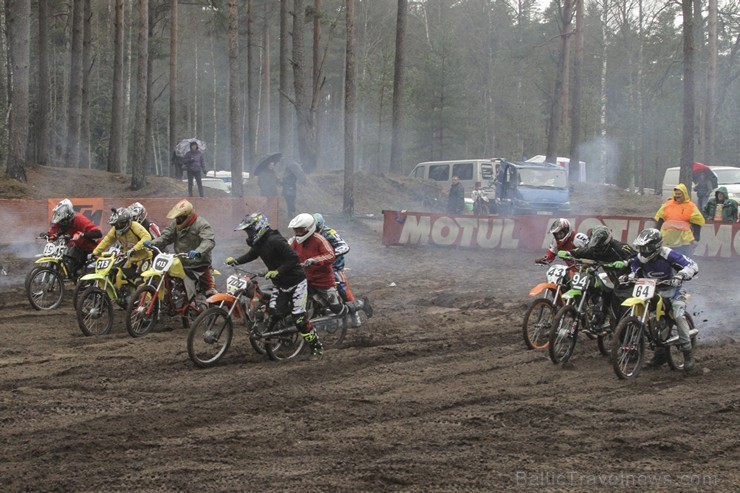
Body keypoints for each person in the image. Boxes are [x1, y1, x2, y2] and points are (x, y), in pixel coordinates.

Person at [224, 212, 324, 359]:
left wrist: (278, 271)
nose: (249, 234)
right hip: (280, 284)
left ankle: (316, 346)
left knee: (299, 319)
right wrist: (236, 261)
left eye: (250, 230)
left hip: (297, 283)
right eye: (247, 231)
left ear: (258, 228)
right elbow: (252, 255)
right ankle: (282, 333)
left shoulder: (275, 240)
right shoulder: (260, 243)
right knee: (274, 313)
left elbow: (293, 258)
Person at [627, 228, 699, 370]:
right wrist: (630, 277)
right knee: (651, 317)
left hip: (674, 290)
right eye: (641, 247)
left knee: (678, 316)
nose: (644, 250)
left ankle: (688, 354)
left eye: (647, 247)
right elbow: (634, 268)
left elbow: (691, 265)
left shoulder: (668, 254)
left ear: (656, 246)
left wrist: (680, 276)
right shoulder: (640, 257)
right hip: (652, 289)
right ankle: (658, 354)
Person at [289, 213, 372, 330]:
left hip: (334, 266)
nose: (315, 232)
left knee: (342, 290)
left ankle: (355, 314)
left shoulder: (329, 233)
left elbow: (344, 247)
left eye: (317, 229)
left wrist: (327, 256)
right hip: (311, 268)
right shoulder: (301, 236)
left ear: (320, 227)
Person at [559, 225, 635, 332]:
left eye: (599, 247)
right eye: (595, 247)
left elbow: (637, 258)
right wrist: (569, 253)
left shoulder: (620, 249)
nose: (597, 250)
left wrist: (624, 263)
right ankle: (599, 316)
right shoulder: (595, 249)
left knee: (617, 314)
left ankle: (622, 329)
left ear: (606, 243)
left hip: (629, 282)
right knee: (603, 290)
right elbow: (583, 251)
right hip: (613, 279)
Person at [145, 199, 217, 296]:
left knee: (210, 293)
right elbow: (166, 236)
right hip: (181, 263)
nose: (178, 220)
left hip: (199, 265)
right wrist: (153, 243)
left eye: (180, 218)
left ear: (188, 216)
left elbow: (208, 241)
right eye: (177, 218)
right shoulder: (175, 224)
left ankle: (214, 309)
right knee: (168, 279)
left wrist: (198, 251)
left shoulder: (202, 224)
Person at [47, 198, 102, 277]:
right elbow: (54, 229)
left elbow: (98, 233)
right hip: (79, 247)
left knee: (87, 272)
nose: (61, 222)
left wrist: (82, 235)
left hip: (93, 248)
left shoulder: (80, 219)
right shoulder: (62, 221)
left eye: (63, 220)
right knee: (70, 265)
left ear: (68, 214)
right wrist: (49, 235)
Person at [93, 207, 153, 279]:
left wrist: (134, 249)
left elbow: (146, 237)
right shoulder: (115, 230)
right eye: (114, 225)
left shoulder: (134, 226)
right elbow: (107, 240)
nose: (116, 227)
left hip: (144, 256)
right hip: (129, 258)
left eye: (118, 225)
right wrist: (95, 252)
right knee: (119, 276)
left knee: (141, 281)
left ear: (125, 222)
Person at [653, 183, 705, 256]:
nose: (677, 195)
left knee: (684, 263)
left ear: (684, 194)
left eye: (679, 194)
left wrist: (696, 238)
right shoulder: (668, 204)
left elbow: (698, 222)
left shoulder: (690, 206)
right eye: (676, 193)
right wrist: (656, 235)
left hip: (683, 242)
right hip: (667, 240)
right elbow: (660, 220)